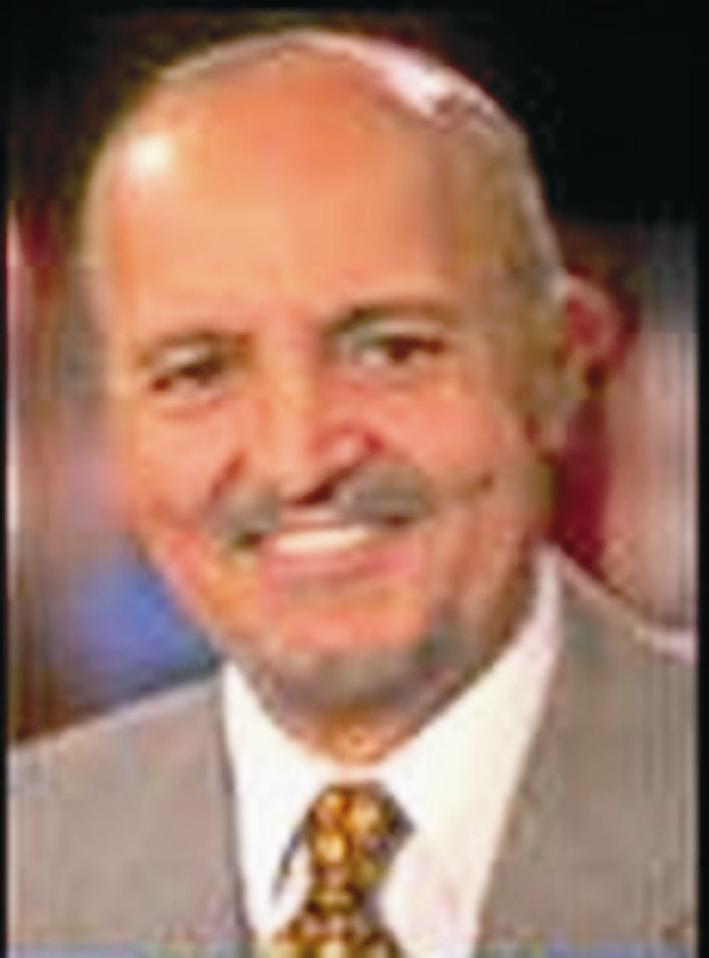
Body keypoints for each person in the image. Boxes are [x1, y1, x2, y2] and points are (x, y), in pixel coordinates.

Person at [8, 28, 694, 956]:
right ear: (109, 428)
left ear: (562, 364)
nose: (297, 462)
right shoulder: (29, 859)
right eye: (198, 371)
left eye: (391, 350)